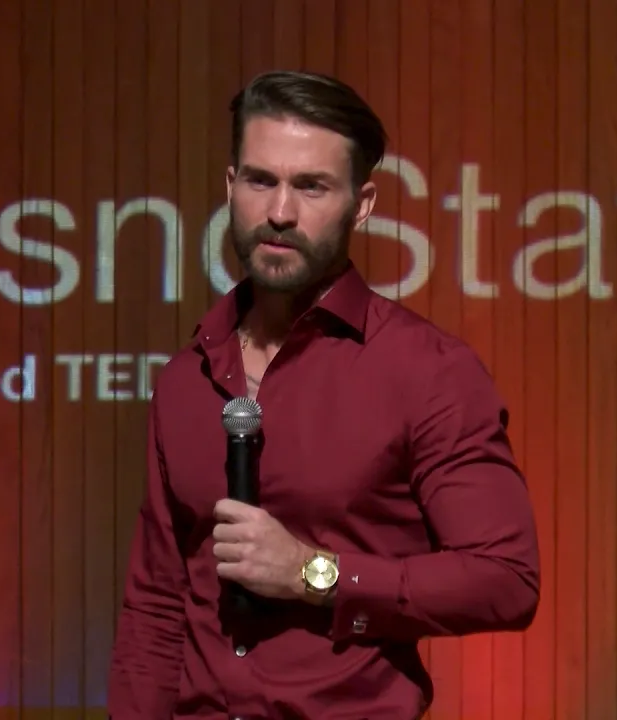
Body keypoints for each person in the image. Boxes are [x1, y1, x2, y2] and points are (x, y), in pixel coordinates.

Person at [106, 70, 541, 719]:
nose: (280, 212)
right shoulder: (184, 379)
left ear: (361, 205)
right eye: (261, 181)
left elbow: (506, 579)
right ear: (230, 186)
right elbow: (156, 608)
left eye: (312, 186)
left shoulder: (427, 371)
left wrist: (316, 573)